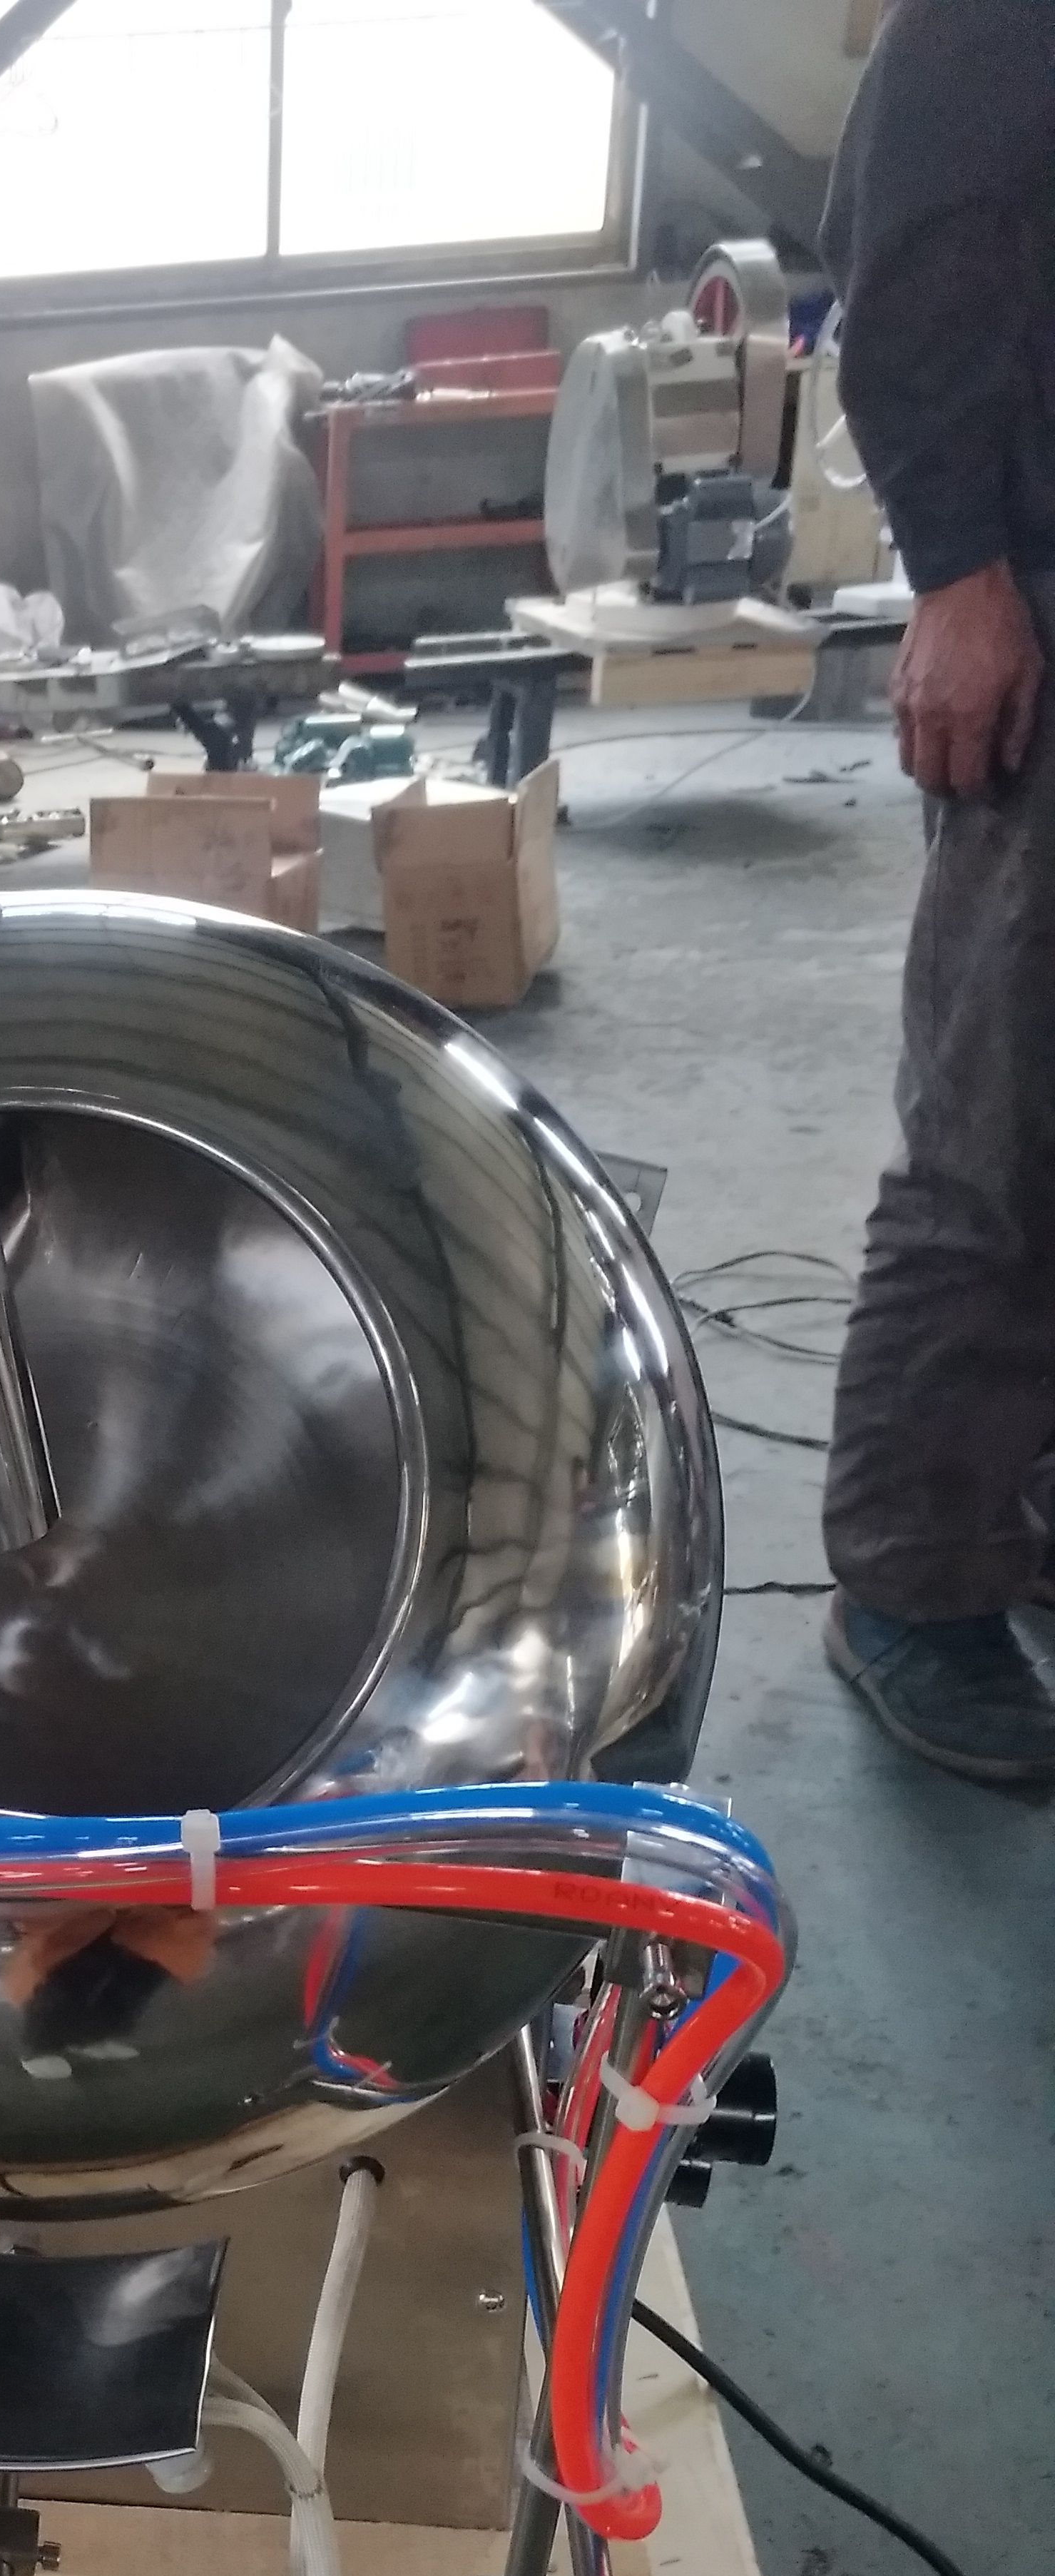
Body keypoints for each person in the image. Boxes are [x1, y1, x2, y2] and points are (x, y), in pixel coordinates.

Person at [817, 0, 1055, 1780]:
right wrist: (958, 569)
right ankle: (914, 1577)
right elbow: (908, 258)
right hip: (1039, 590)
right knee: (1001, 1126)